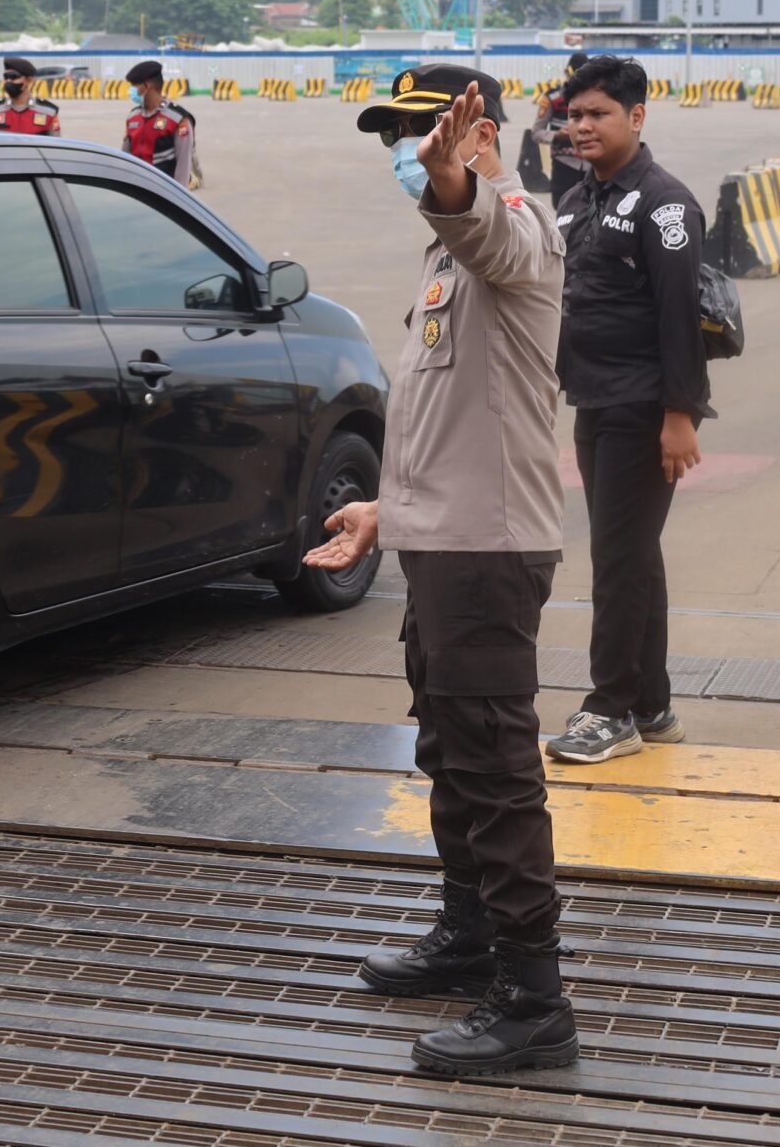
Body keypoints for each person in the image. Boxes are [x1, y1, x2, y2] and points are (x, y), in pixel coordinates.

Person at [305, 63, 577, 1077]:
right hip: (440, 542)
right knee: (451, 753)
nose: (407, 150)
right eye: (400, 135)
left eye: (425, 131)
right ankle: (467, 932)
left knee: (498, 773)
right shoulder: (443, 256)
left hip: (488, 551)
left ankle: (533, 998)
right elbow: (448, 414)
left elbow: (490, 227)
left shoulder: (515, 228)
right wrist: (387, 506)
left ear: (478, 133)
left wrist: (455, 183)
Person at [542, 55, 711, 765]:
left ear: (636, 118)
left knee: (617, 557)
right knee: (635, 556)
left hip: (643, 409)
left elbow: (681, 317)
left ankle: (609, 708)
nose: (581, 127)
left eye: (597, 114)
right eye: (574, 115)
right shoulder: (585, 197)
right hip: (597, 398)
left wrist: (681, 415)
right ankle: (652, 701)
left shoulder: (665, 206)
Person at [121, 59, 196, 188]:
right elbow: (124, 159)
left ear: (147, 85)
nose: (131, 90)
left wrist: (176, 202)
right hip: (136, 193)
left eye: (134, 85)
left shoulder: (178, 119)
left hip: (162, 195)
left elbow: (183, 169)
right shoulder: (133, 117)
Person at [537, 51, 591, 214]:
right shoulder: (553, 98)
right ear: (567, 72)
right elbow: (536, 132)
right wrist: (557, 136)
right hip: (563, 166)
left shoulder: (598, 98)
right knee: (563, 212)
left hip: (592, 166)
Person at [0, 55, 61, 135]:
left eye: (14, 76)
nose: (9, 81)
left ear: (29, 80)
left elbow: (56, 144)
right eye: (6, 77)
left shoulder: (48, 112)